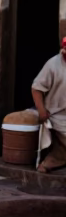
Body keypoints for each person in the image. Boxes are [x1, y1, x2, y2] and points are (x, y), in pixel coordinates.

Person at [32, 38, 66, 173]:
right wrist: (42, 110)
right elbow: (36, 88)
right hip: (57, 116)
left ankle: (48, 164)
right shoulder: (53, 65)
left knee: (63, 151)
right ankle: (45, 165)